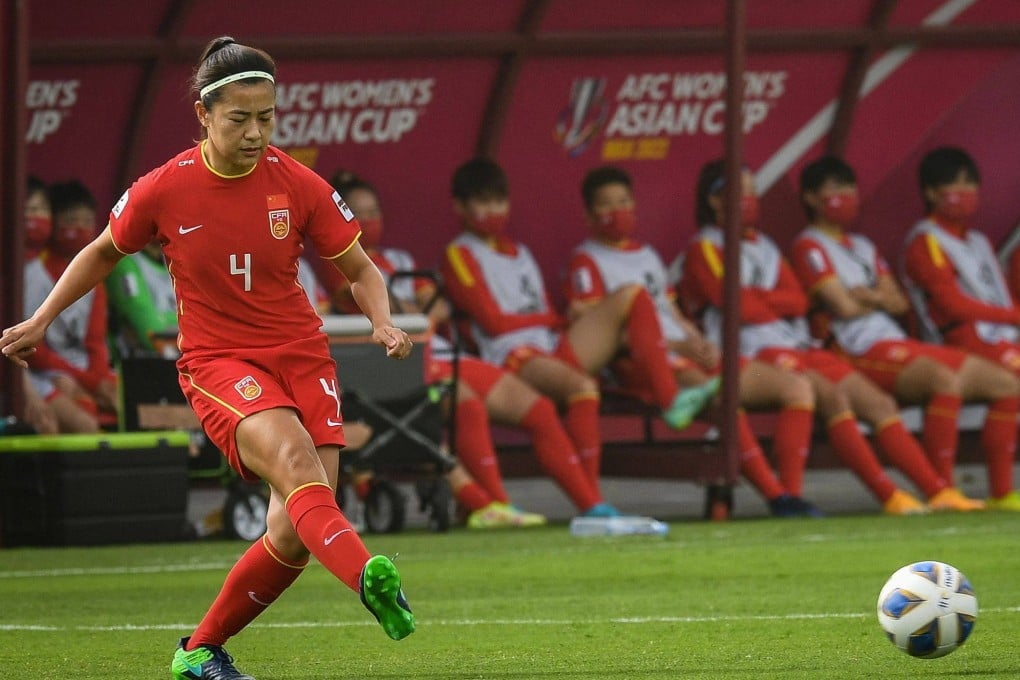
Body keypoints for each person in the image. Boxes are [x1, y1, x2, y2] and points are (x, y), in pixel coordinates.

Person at [1, 37, 415, 680]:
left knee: (295, 529)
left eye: (267, 117)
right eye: (239, 118)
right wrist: (42, 319)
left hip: (304, 356)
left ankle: (199, 651)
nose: (255, 133)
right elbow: (102, 252)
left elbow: (360, 270)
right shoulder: (164, 189)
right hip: (220, 361)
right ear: (203, 113)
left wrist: (382, 321)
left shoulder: (299, 185)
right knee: (296, 463)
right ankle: (368, 576)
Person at [682, 159, 982, 514]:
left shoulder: (764, 245)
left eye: (751, 190)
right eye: (738, 192)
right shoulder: (707, 245)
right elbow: (739, 307)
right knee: (830, 397)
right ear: (715, 200)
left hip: (796, 344)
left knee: (878, 405)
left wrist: (766, 299)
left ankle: (936, 490)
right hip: (753, 356)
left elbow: (798, 299)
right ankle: (857, 495)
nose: (748, 198)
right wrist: (773, 301)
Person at [440, 157, 718, 517]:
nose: (493, 211)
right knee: (582, 386)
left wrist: (554, 320)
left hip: (550, 344)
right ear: (460, 207)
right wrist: (552, 317)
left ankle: (668, 403)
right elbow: (494, 322)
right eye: (482, 202)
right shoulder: (459, 252)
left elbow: (540, 313)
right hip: (513, 354)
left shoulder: (520, 251)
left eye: (499, 201)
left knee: (633, 295)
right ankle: (592, 503)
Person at [325, 170, 599, 523]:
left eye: (374, 211)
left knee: (540, 410)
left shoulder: (402, 260)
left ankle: (594, 507)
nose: (368, 220)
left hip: (435, 350)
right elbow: (382, 305)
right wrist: (411, 311)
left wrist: (410, 311)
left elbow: (436, 307)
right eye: (357, 212)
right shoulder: (336, 261)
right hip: (390, 359)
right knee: (465, 402)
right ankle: (495, 505)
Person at [565, 165, 823, 517]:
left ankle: (792, 493)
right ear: (589, 214)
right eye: (607, 205)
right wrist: (676, 348)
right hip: (646, 365)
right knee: (721, 398)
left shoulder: (647, 254)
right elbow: (607, 335)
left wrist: (697, 340)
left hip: (686, 353)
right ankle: (775, 496)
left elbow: (673, 314)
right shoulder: (587, 258)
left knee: (796, 389)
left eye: (624, 201)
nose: (619, 212)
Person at [788, 155, 1016, 511]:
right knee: (942, 381)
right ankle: (943, 488)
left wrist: (870, 297)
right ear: (811, 198)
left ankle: (1000, 492)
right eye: (836, 190)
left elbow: (897, 303)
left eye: (850, 188)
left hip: (893, 338)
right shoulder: (809, 245)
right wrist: (874, 298)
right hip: (855, 345)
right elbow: (844, 308)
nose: (847, 196)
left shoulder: (862, 246)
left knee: (1007, 386)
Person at [898, 148, 1020, 510]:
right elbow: (950, 305)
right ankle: (952, 487)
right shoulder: (926, 239)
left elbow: (999, 296)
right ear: (932, 192)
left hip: (999, 336)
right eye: (954, 183)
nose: (964, 192)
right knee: (1014, 377)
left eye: (971, 184)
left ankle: (1001, 492)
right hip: (955, 339)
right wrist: (1013, 318)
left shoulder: (978, 241)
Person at [23, 179, 118, 432]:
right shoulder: (36, 269)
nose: (78, 228)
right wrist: (90, 384)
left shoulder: (94, 272)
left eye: (86, 221)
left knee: (135, 399)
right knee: (85, 418)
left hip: (84, 372)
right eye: (70, 220)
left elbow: (95, 341)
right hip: (48, 372)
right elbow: (34, 349)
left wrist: (97, 381)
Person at [106, 238, 180, 359]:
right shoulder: (125, 263)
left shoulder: (176, 259)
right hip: (137, 364)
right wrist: (184, 324)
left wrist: (163, 318)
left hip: (179, 360)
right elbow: (150, 335)